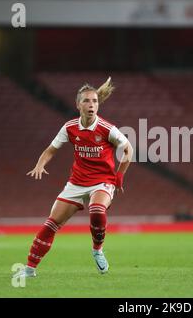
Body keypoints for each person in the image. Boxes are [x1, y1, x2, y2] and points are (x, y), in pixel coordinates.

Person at [14, 77, 133, 278]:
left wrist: (119, 177)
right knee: (51, 224)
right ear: (78, 105)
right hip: (77, 183)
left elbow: (128, 150)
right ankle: (29, 269)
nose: (91, 105)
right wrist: (40, 164)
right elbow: (50, 150)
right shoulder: (70, 127)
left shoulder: (106, 129)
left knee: (96, 210)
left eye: (95, 101)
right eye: (86, 101)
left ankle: (97, 249)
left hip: (102, 181)